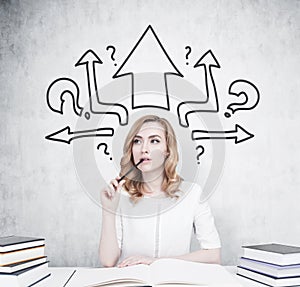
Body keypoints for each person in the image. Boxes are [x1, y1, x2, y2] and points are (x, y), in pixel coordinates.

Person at [99, 115, 221, 268]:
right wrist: (108, 210)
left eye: (154, 141)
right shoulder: (120, 195)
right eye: (137, 141)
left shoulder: (192, 193)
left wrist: (157, 262)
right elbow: (107, 261)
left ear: (168, 151)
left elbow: (213, 255)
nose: (144, 149)